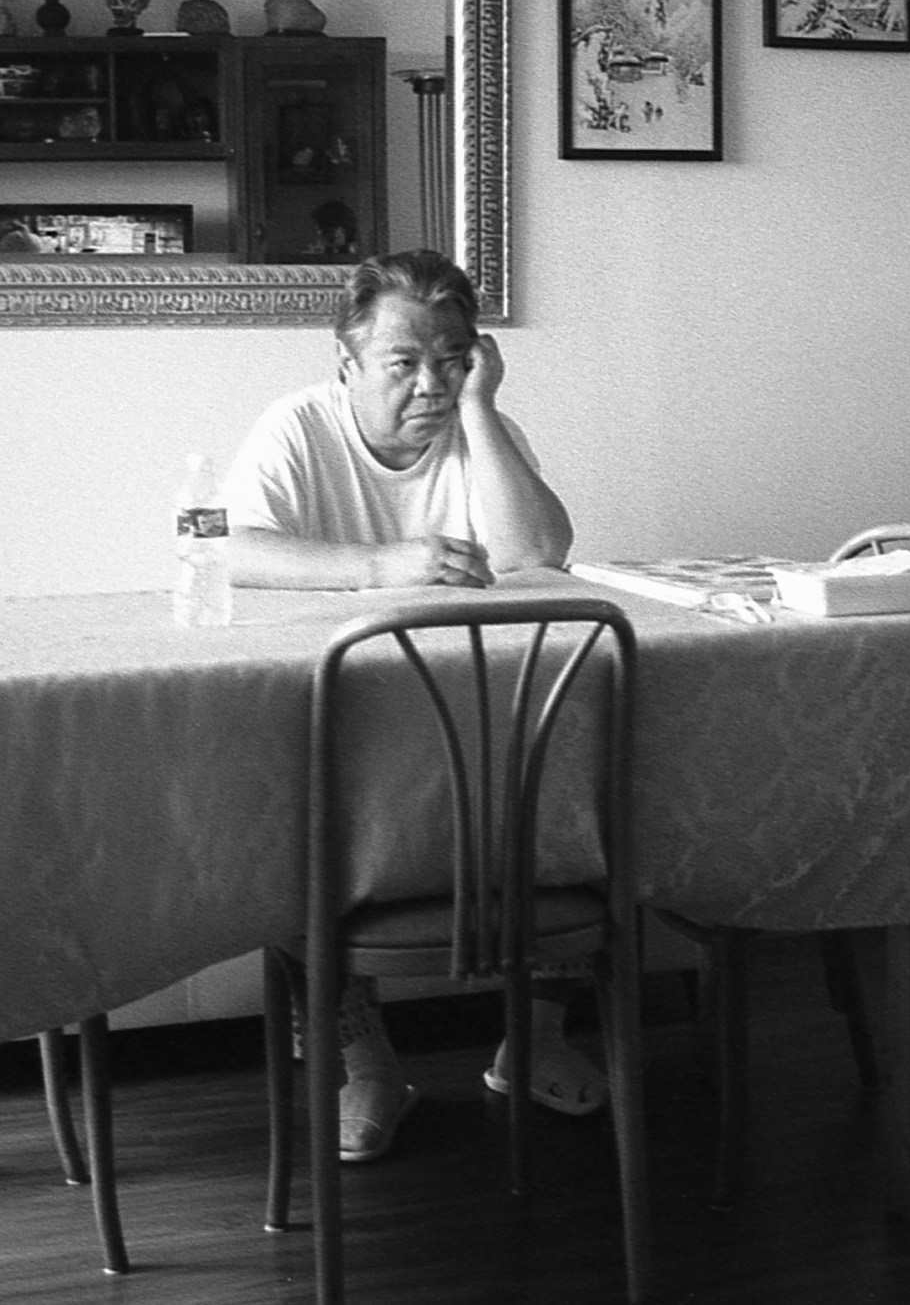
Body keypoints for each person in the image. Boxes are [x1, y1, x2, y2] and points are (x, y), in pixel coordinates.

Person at [224, 248, 603, 1163]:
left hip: (484, 723)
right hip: (345, 729)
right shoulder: (297, 427)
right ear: (348, 365)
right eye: (404, 363)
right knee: (286, 831)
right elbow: (233, 548)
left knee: (573, 795)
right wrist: (373, 566)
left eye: (453, 357)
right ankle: (368, 1066)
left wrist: (483, 407)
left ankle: (538, 1038)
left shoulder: (481, 425)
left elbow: (540, 554)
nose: (429, 382)